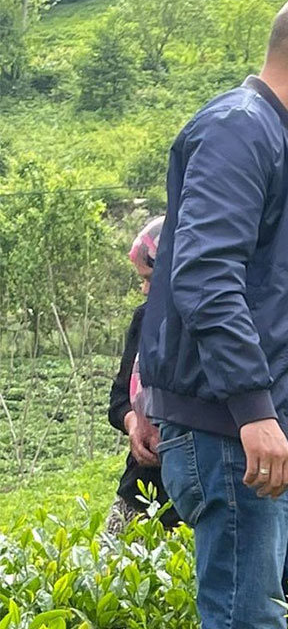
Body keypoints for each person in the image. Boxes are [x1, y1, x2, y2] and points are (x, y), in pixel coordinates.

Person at [136, 0, 288, 626]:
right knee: (249, 619)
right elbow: (206, 274)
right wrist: (252, 409)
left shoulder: (275, 136)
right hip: (238, 433)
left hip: (282, 432)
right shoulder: (240, 128)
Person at [105, 216, 180, 535]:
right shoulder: (145, 318)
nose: (144, 288)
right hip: (140, 488)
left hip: (191, 495)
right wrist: (134, 423)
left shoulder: (211, 324)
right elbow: (119, 399)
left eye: (150, 277)